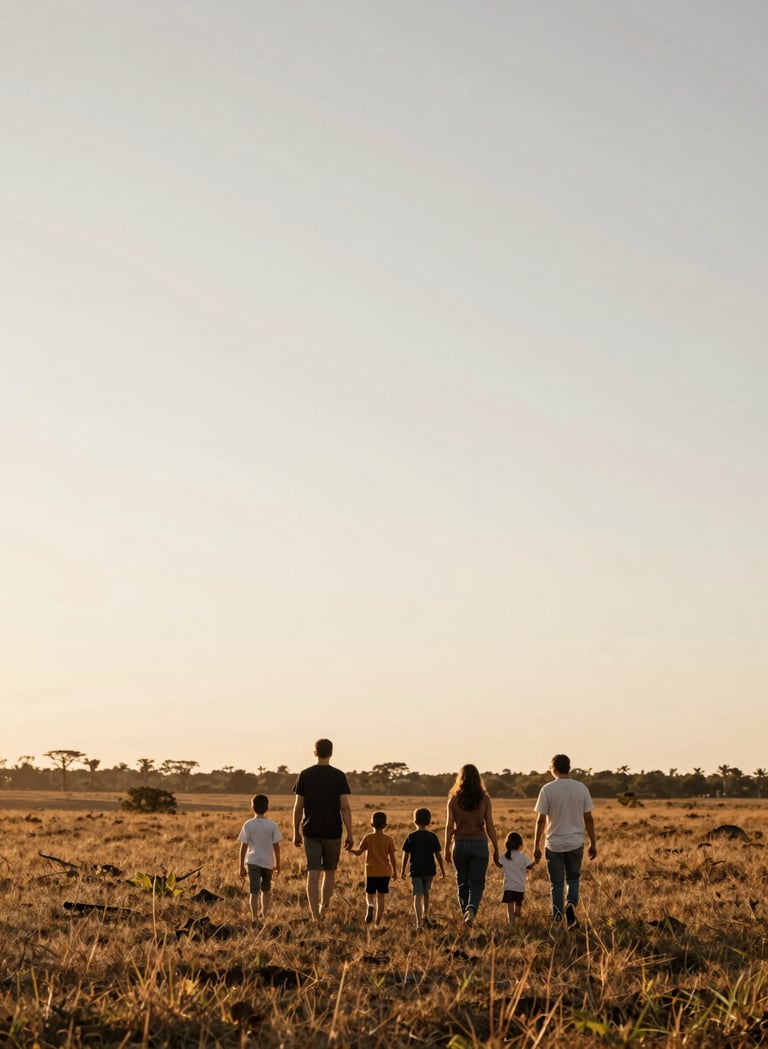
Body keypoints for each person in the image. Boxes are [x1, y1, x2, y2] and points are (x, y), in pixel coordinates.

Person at [292, 739, 353, 921]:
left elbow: (298, 807)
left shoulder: (305, 774)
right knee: (330, 872)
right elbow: (345, 807)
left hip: (310, 830)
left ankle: (314, 915)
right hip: (333, 831)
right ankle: (323, 908)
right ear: (331, 753)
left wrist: (295, 831)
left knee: (313, 873)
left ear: (315, 752)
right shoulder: (339, 776)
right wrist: (350, 832)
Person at [533, 753, 597, 928]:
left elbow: (540, 820)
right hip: (575, 843)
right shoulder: (581, 788)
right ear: (569, 767)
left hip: (553, 843)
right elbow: (589, 819)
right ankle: (571, 904)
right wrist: (593, 842)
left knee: (556, 883)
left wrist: (536, 845)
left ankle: (558, 917)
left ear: (554, 768)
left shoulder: (547, 789)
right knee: (573, 878)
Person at [445, 764, 500, 926]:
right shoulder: (485, 799)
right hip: (480, 845)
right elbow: (490, 826)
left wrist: (446, 847)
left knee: (462, 882)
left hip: (460, 845)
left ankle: (466, 914)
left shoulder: (453, 800)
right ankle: (471, 910)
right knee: (477, 883)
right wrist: (496, 848)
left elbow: (449, 827)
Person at [237, 793, 282, 924]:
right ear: (267, 807)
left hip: (252, 862)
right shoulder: (272, 825)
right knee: (266, 890)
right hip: (268, 862)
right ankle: (264, 913)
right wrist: (278, 863)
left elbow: (243, 847)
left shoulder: (248, 824)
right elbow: (276, 846)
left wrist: (241, 866)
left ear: (252, 807)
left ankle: (254, 917)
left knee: (254, 891)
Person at [401, 807, 445, 929]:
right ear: (429, 821)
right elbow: (438, 855)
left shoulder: (411, 836)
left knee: (417, 894)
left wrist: (402, 870)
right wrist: (442, 869)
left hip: (416, 870)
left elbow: (406, 855)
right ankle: (426, 916)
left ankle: (419, 923)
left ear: (414, 821)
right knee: (426, 892)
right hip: (429, 870)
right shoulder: (433, 836)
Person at [352, 810, 397, 926]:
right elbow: (392, 858)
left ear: (371, 824)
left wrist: (350, 850)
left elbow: (358, 853)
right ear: (385, 825)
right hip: (385, 872)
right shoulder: (389, 839)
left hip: (371, 872)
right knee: (381, 897)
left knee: (369, 894)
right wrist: (395, 872)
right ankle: (377, 923)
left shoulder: (368, 837)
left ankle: (370, 905)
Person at [497, 831, 535, 922]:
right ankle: (518, 917)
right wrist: (536, 861)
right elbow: (530, 867)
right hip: (519, 888)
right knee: (517, 910)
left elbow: (498, 864)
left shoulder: (504, 857)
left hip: (509, 888)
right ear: (520, 844)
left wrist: (495, 856)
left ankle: (512, 926)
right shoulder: (523, 857)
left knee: (510, 912)